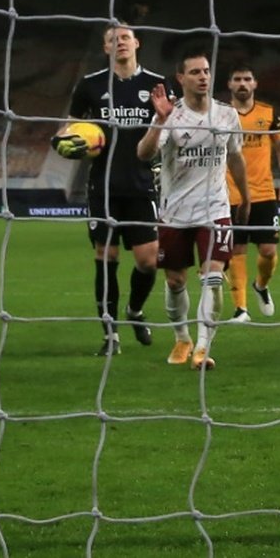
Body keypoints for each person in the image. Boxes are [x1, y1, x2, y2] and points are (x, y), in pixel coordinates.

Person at [51, 23, 172, 356]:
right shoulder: (90, 85)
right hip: (102, 186)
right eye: (112, 40)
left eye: (125, 38)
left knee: (149, 261)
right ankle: (110, 336)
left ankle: (134, 310)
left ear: (137, 43)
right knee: (107, 258)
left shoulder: (157, 85)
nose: (120, 43)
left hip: (142, 183)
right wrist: (61, 141)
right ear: (105, 48)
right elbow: (70, 127)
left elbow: (172, 128)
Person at [136, 49, 250, 371]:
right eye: (196, 72)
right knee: (175, 281)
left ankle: (202, 348)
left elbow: (235, 157)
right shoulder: (170, 115)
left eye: (206, 71)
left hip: (215, 207)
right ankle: (182, 337)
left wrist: (246, 195)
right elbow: (144, 154)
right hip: (175, 211)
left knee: (213, 277)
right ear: (181, 78)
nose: (203, 77)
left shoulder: (227, 115)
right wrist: (158, 120)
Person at [224, 64, 280, 322]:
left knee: (268, 251)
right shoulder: (221, 114)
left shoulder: (268, 114)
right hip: (231, 194)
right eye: (237, 79)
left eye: (247, 79)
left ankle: (261, 285)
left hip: (264, 193)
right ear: (229, 85)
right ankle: (241, 309)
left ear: (255, 84)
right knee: (236, 250)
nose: (242, 83)